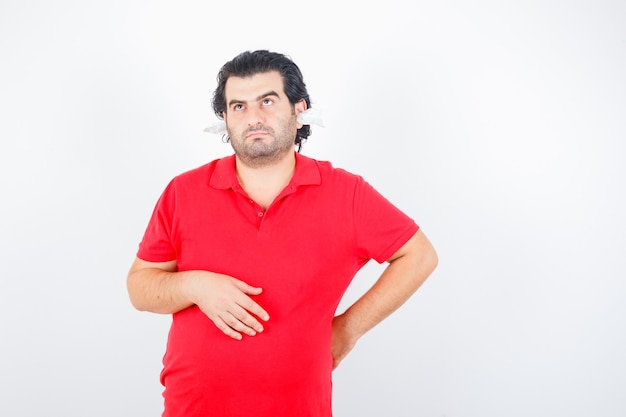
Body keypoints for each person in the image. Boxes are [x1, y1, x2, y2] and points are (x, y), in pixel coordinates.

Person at [127, 49, 438, 417]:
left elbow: (419, 255)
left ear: (298, 108)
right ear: (224, 119)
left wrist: (347, 330)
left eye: (268, 101)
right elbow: (140, 287)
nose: (253, 117)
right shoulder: (184, 191)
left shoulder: (346, 194)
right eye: (238, 106)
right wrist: (193, 285)